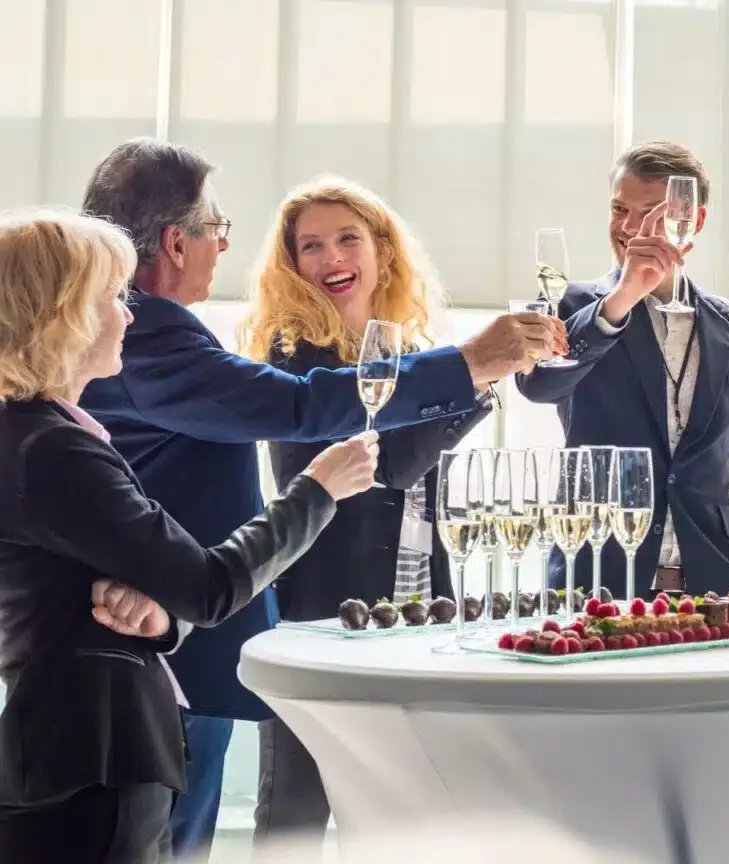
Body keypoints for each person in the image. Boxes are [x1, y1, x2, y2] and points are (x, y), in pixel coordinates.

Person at [76, 138, 563, 860]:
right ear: (177, 243)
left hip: (174, 632)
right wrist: (469, 364)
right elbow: (304, 407)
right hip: (157, 640)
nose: (222, 246)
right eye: (216, 229)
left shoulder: (150, 332)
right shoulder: (151, 333)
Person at [0, 210, 379, 862]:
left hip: (73, 757)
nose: (129, 315)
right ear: (67, 314)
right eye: (113, 296)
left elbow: (91, 601)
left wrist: (158, 619)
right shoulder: (54, 450)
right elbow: (207, 587)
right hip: (94, 762)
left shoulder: (35, 435)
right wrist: (317, 492)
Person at [238, 177, 492, 854]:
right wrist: (476, 381)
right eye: (311, 246)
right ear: (293, 266)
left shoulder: (414, 357)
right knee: (293, 814)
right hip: (321, 616)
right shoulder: (293, 364)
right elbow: (388, 469)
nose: (331, 258)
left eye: (348, 238)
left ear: (382, 249)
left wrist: (466, 381)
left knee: (397, 816)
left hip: (413, 612)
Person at [516, 141, 729, 595]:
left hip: (717, 592)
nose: (629, 227)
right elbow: (538, 385)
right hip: (597, 584)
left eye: (650, 214)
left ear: (694, 220)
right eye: (619, 209)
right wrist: (621, 299)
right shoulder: (569, 305)